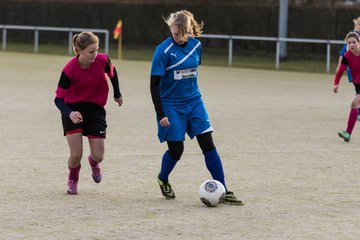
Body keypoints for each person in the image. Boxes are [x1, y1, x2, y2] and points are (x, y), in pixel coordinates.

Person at [150, 10, 243, 205]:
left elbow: (191, 72)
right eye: (173, 33)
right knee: (176, 150)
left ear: (189, 30)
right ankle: (163, 178)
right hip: (171, 106)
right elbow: (154, 85)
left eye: (179, 33)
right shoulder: (162, 51)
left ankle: (223, 190)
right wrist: (161, 113)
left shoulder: (196, 45)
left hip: (194, 102)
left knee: (208, 144)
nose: (175, 37)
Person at [54, 32, 123, 194]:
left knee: (99, 156)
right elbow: (58, 100)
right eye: (91, 51)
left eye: (96, 50)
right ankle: (73, 179)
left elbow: (113, 73)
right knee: (76, 154)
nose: (95, 55)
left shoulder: (102, 60)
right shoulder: (69, 69)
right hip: (72, 108)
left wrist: (117, 93)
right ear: (79, 51)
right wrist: (70, 113)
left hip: (95, 108)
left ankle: (93, 163)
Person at [333, 32, 360, 142]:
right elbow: (340, 71)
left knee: (354, 103)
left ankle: (348, 133)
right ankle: (348, 133)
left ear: (359, 43)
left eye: (354, 42)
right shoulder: (347, 56)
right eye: (349, 43)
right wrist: (336, 84)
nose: (352, 44)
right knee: (355, 105)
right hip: (358, 85)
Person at [337, 17, 360, 120]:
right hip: (354, 68)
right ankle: (358, 111)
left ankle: (357, 110)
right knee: (358, 90)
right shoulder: (352, 37)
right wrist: (339, 65)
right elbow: (343, 52)